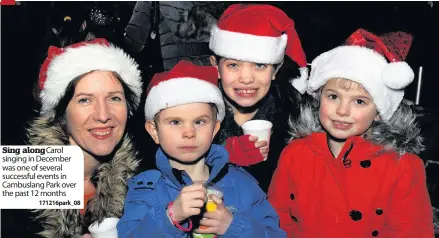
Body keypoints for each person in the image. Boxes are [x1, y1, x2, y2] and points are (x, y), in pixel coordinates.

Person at [268, 28, 434, 237]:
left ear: (379, 112)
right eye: (333, 97)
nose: (343, 110)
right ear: (319, 98)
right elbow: (275, 221)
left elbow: (411, 232)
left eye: (359, 101)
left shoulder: (404, 167)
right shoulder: (295, 154)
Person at [117, 60, 285, 237]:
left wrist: (233, 225)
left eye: (199, 122)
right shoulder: (145, 190)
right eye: (175, 122)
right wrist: (171, 217)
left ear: (215, 129)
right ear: (154, 131)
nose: (189, 133)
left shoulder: (242, 184)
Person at [2, 38, 143, 238]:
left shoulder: (143, 180)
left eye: (114, 98)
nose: (103, 115)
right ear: (60, 113)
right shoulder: (19, 179)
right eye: (85, 100)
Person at [208, 4, 308, 192]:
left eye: (260, 65)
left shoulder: (294, 122)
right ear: (216, 67)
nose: (246, 78)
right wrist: (220, 156)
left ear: (275, 70)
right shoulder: (196, 112)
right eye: (233, 65)